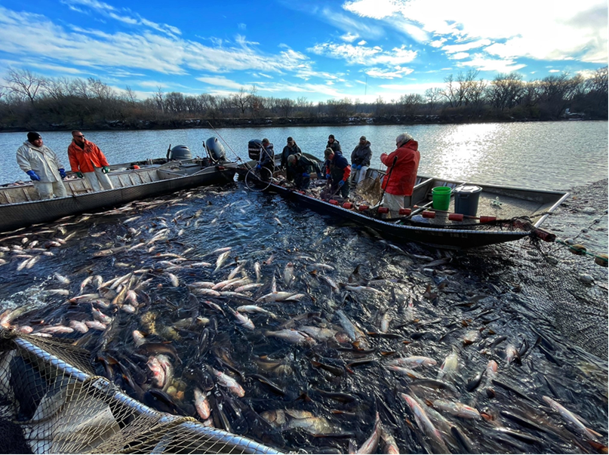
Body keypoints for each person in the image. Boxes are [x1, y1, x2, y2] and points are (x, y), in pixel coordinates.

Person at [16, 132, 68, 200]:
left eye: (40, 139)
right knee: (47, 195)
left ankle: (64, 207)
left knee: (62, 194)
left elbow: (56, 159)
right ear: (31, 141)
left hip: (55, 176)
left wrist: (61, 169)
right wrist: (30, 172)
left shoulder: (46, 148)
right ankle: (49, 209)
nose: (40, 141)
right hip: (42, 178)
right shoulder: (23, 150)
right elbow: (23, 162)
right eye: (37, 140)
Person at [380, 132, 421, 211]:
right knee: (391, 204)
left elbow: (388, 161)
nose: (397, 146)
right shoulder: (416, 152)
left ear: (401, 142)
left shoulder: (402, 151)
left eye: (397, 144)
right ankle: (390, 219)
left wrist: (383, 156)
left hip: (395, 185)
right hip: (405, 183)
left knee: (395, 208)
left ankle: (395, 221)